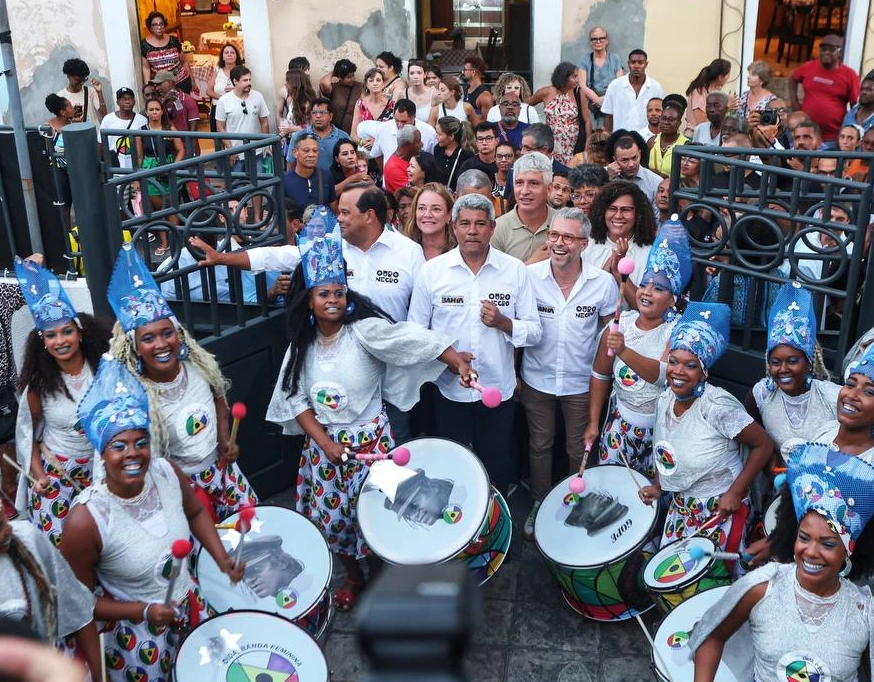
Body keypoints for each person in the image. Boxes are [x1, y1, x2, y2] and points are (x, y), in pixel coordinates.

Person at [264, 211, 472, 611]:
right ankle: (355, 578)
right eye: (323, 294)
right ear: (308, 300)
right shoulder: (301, 346)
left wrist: (455, 361)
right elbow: (295, 400)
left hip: (371, 444)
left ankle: (382, 577)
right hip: (325, 452)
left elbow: (411, 340)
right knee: (333, 520)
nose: (333, 300)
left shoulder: (365, 331)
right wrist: (324, 442)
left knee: (379, 517)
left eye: (339, 293)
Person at [61, 353, 244, 682]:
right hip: (137, 640)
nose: (133, 453)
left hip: (191, 610)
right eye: (119, 445)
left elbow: (196, 511)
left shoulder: (166, 471)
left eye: (140, 442)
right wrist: (142, 611)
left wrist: (222, 558)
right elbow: (79, 604)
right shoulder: (86, 520)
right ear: (102, 453)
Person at [690, 444, 874, 682]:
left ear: (846, 553)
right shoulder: (762, 587)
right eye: (804, 538)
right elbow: (712, 636)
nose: (811, 552)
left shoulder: (864, 611)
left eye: (828, 544)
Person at [106, 245, 258, 520]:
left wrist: (225, 440)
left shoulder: (200, 369)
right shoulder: (134, 396)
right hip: (177, 490)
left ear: (179, 335)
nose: (161, 344)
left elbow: (219, 401)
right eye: (148, 338)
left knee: (249, 539)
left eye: (167, 333)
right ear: (135, 347)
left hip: (222, 475)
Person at [408, 193, 542, 496]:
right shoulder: (433, 272)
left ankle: (494, 530)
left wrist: (504, 323)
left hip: (498, 389)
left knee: (496, 468)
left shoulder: (514, 270)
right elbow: (416, 334)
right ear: (453, 227)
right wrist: (451, 359)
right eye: (465, 223)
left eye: (480, 224)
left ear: (492, 228)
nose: (472, 230)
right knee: (452, 468)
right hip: (448, 390)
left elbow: (534, 332)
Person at [639, 302, 773, 551]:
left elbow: (763, 444)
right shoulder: (665, 398)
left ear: (703, 373)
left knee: (711, 584)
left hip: (719, 511)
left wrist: (735, 492)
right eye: (673, 361)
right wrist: (658, 487)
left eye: (690, 365)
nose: (678, 371)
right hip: (681, 508)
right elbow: (665, 449)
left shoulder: (717, 406)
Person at [519, 207, 618, 540]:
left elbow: (608, 335)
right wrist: (516, 374)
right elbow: (518, 330)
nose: (559, 243)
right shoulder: (529, 277)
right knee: (539, 445)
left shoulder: (603, 284)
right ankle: (538, 502)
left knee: (580, 448)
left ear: (584, 244)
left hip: (581, 382)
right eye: (554, 235)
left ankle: (580, 505)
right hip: (536, 378)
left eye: (568, 237)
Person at [12, 258, 110, 547]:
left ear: (80, 332)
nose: (60, 341)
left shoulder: (105, 369)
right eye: (51, 335)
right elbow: (28, 435)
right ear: (42, 340)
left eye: (66, 331)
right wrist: (39, 476)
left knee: (105, 546)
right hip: (58, 475)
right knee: (61, 548)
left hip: (105, 471)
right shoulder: (39, 385)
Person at [585, 219, 692, 481]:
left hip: (661, 436)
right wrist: (593, 422)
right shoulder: (622, 324)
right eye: (644, 285)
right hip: (618, 429)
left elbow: (664, 374)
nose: (646, 293)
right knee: (611, 490)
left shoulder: (679, 332)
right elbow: (600, 375)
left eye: (658, 289)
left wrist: (624, 351)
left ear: (674, 299)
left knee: (649, 500)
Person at [0, 477, 103, 682]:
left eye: (4, 520)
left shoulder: (27, 538)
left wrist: (101, 675)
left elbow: (77, 608)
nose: (8, 530)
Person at [744, 282, 840, 467]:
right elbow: (752, 435)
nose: (783, 369)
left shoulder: (831, 396)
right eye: (775, 362)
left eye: (793, 361)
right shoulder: (761, 394)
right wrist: (769, 455)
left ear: (809, 363)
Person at [585, 179, 657, 304]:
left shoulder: (651, 253)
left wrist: (620, 274)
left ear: (638, 214)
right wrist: (606, 271)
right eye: (612, 209)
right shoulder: (586, 244)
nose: (618, 216)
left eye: (625, 210)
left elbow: (645, 306)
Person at [215, 66, 272, 224]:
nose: (249, 83)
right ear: (235, 81)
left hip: (256, 151)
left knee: (257, 186)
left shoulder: (258, 96)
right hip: (235, 153)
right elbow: (220, 127)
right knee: (234, 187)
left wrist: (266, 144)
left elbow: (264, 121)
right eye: (245, 80)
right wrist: (230, 149)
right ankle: (236, 221)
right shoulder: (224, 101)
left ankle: (257, 219)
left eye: (249, 79)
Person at [790, 34, 860, 147]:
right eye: (823, 49)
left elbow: (854, 106)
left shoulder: (849, 75)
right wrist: (794, 103)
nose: (826, 52)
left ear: (840, 52)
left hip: (832, 138)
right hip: (805, 135)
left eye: (832, 49)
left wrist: (849, 132)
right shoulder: (808, 67)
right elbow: (793, 79)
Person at [137, 98, 183, 256]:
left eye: (157, 109)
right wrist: (137, 179)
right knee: (159, 209)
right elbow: (139, 157)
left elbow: (181, 150)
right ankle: (164, 242)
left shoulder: (170, 127)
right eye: (151, 109)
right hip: (150, 170)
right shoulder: (141, 130)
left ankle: (175, 237)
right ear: (147, 112)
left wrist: (173, 167)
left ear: (162, 111)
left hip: (169, 168)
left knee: (172, 206)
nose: (154, 112)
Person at [492, 152, 554, 263]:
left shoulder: (563, 224)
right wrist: (530, 265)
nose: (524, 191)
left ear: (549, 189)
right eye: (519, 183)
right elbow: (494, 279)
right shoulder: (497, 229)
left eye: (533, 183)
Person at [529, 61, 590, 165]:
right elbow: (526, 105)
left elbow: (587, 120)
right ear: (564, 76)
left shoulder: (579, 93)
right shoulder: (546, 92)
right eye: (574, 77)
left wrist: (588, 144)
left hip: (573, 143)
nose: (577, 80)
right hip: (550, 141)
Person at [601, 49, 664, 133]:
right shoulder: (615, 86)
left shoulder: (656, 87)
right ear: (628, 64)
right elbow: (608, 116)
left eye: (640, 62)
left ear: (646, 64)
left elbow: (661, 116)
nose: (636, 66)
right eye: (633, 62)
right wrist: (608, 140)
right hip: (620, 140)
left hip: (648, 140)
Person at [287, 97, 351, 177]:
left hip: (337, 183)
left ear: (330, 116)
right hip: (307, 183)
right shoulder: (298, 137)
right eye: (314, 113)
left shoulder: (343, 137)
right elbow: (291, 166)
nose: (318, 116)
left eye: (322, 113)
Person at [578, 26, 625, 130]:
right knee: (593, 133)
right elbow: (582, 84)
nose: (598, 42)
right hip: (591, 102)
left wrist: (604, 99)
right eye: (594, 39)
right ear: (590, 42)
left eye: (601, 38)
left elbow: (620, 82)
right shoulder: (585, 60)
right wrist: (597, 100)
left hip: (611, 100)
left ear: (606, 40)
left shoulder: (615, 59)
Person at [370, 99, 437, 170]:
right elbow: (377, 155)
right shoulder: (383, 129)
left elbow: (433, 159)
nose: (399, 125)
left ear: (414, 117)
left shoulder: (429, 132)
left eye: (404, 121)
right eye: (396, 120)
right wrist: (386, 174)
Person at [43, 94, 75, 229]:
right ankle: (66, 238)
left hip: (74, 170)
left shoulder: (72, 124)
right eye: (70, 106)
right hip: (59, 172)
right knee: (64, 205)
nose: (73, 108)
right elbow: (47, 151)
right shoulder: (49, 128)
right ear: (62, 112)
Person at [140, 11, 191, 93]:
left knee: (183, 105)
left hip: (181, 82)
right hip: (160, 86)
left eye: (161, 24)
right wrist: (148, 88)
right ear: (150, 27)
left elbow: (184, 62)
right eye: (155, 25)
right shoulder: (144, 45)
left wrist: (192, 81)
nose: (159, 27)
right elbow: (146, 69)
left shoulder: (173, 40)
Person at [284, 133, 337, 210]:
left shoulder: (326, 176)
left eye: (315, 151)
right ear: (295, 152)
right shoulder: (284, 182)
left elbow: (334, 209)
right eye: (306, 151)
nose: (311, 155)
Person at [404, 182, 456, 260]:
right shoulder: (404, 249)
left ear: (449, 215)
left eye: (436, 209)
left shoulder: (460, 252)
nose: (427, 215)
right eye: (422, 208)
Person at [604, 131, 662, 201]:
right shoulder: (604, 175)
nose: (631, 164)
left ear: (640, 154)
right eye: (625, 160)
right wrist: (607, 179)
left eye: (634, 158)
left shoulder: (656, 182)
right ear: (615, 159)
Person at [100, 87, 147, 170]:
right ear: (117, 102)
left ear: (134, 102)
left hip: (136, 168)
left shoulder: (143, 120)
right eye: (123, 99)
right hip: (114, 169)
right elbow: (100, 143)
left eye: (130, 99)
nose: (127, 101)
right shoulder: (108, 119)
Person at [683, 58, 732, 136]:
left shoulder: (717, 92)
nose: (729, 78)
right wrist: (726, 108)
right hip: (695, 136)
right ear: (720, 77)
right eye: (728, 74)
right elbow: (701, 121)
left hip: (710, 136)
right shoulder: (700, 91)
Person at [350, 68, 395, 149]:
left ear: (383, 83)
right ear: (366, 84)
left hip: (385, 150)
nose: (375, 83)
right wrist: (362, 142)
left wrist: (377, 142)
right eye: (371, 81)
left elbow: (395, 133)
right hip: (365, 152)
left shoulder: (392, 105)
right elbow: (353, 135)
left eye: (378, 80)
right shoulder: (360, 104)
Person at [318, 58, 362, 134]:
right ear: (339, 77)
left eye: (353, 75)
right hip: (336, 133)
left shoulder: (359, 87)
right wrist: (334, 72)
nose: (352, 78)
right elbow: (323, 83)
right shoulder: (334, 88)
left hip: (355, 134)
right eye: (348, 77)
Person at [57, 58, 105, 125]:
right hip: (75, 134)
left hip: (93, 133)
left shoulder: (90, 91)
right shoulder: (61, 96)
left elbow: (104, 114)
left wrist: (99, 92)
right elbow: (60, 122)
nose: (82, 83)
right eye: (78, 80)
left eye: (84, 79)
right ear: (68, 76)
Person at [648, 96, 688, 177]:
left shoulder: (686, 145)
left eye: (671, 119)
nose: (666, 122)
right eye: (664, 118)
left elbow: (687, 177)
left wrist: (662, 176)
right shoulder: (651, 142)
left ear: (679, 123)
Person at [206, 43, 242, 132]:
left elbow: (247, 89)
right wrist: (223, 98)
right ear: (222, 57)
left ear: (236, 56)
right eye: (226, 52)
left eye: (232, 52)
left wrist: (236, 90)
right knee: (218, 140)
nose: (229, 54)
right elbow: (208, 91)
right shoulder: (217, 70)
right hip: (218, 107)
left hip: (236, 109)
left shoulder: (242, 71)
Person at [275, 68, 316, 144]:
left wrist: (292, 128)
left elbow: (312, 127)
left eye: (288, 82)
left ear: (295, 84)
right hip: (292, 139)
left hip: (305, 141)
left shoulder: (307, 103)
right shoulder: (292, 100)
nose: (286, 85)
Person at [433, 115, 474, 190]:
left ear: (451, 136)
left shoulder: (466, 155)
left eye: (439, 134)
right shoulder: (438, 149)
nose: (436, 137)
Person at [383, 125, 422, 193]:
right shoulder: (393, 168)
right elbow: (413, 193)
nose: (422, 144)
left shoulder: (412, 158)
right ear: (407, 145)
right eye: (418, 141)